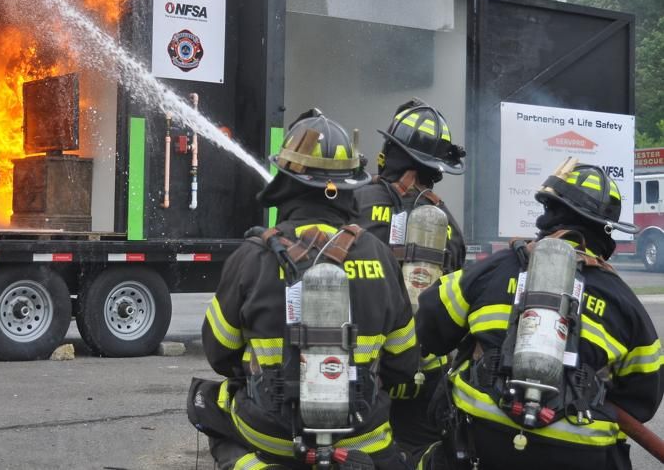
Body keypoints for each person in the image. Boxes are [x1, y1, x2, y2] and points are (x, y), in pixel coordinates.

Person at [187, 109, 418, 470]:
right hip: (362, 442)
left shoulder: (251, 257)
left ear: (286, 182)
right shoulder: (380, 256)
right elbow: (404, 363)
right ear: (350, 187)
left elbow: (220, 354)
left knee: (208, 403)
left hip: (272, 437)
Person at [415, 161, 664, 470]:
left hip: (481, 442)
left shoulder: (496, 268)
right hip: (579, 456)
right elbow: (644, 399)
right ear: (606, 230)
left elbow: (429, 325)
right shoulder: (624, 302)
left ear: (550, 212)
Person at [353, 99, 466, 458]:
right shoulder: (444, 221)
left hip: (361, 368)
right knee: (417, 453)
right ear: (435, 169)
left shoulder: (352, 201)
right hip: (424, 371)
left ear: (391, 151)